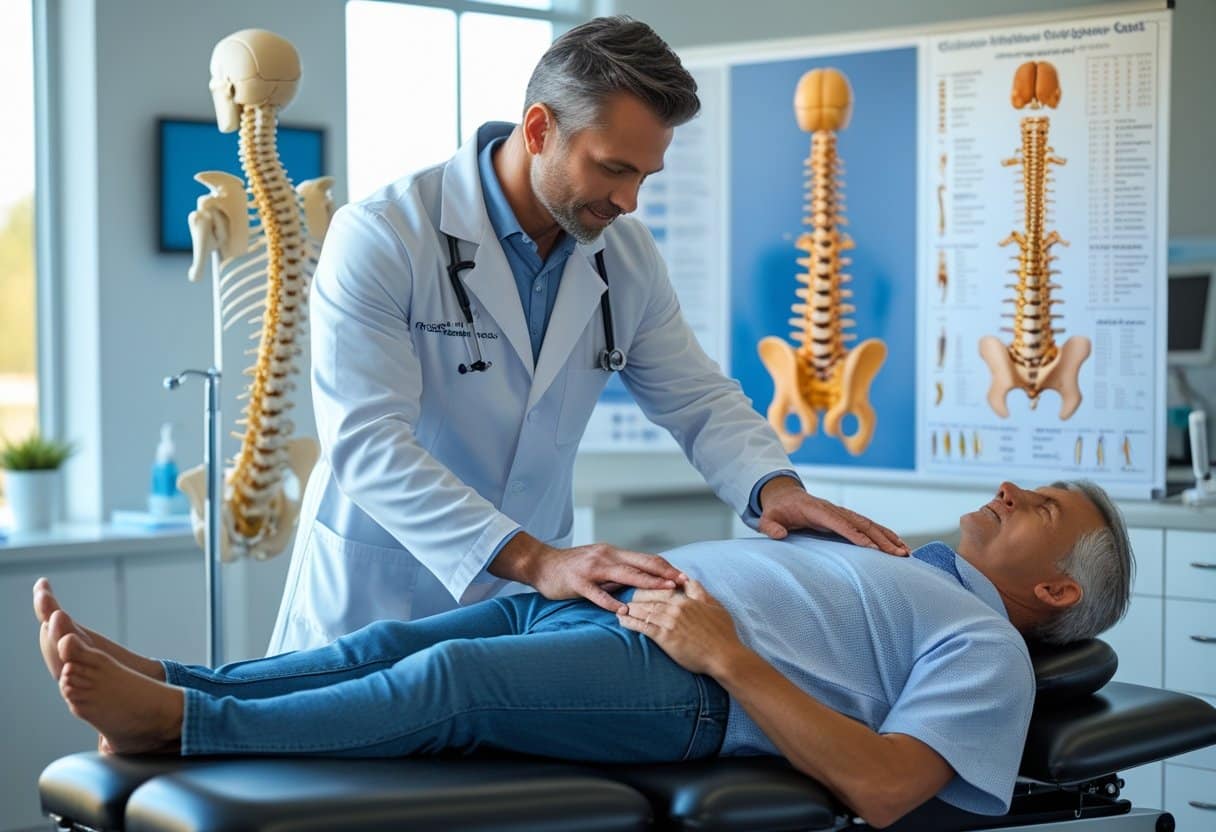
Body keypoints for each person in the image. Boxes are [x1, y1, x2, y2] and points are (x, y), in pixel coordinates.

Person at [271, 15, 907, 652]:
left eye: (644, 177)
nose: (629, 201)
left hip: (521, 610)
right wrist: (537, 560)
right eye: (613, 168)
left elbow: (698, 398)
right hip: (381, 593)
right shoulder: (384, 236)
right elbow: (367, 443)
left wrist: (775, 488)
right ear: (541, 129)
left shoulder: (623, 255)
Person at [37, 480, 1132, 827]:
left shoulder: (984, 641)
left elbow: (889, 788)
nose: (1003, 492)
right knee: (385, 639)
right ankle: (179, 681)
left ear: (1056, 589)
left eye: (1034, 505)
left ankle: (180, 726)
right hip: (610, 605)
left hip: (683, 681)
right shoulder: (908, 565)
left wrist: (729, 658)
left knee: (444, 686)